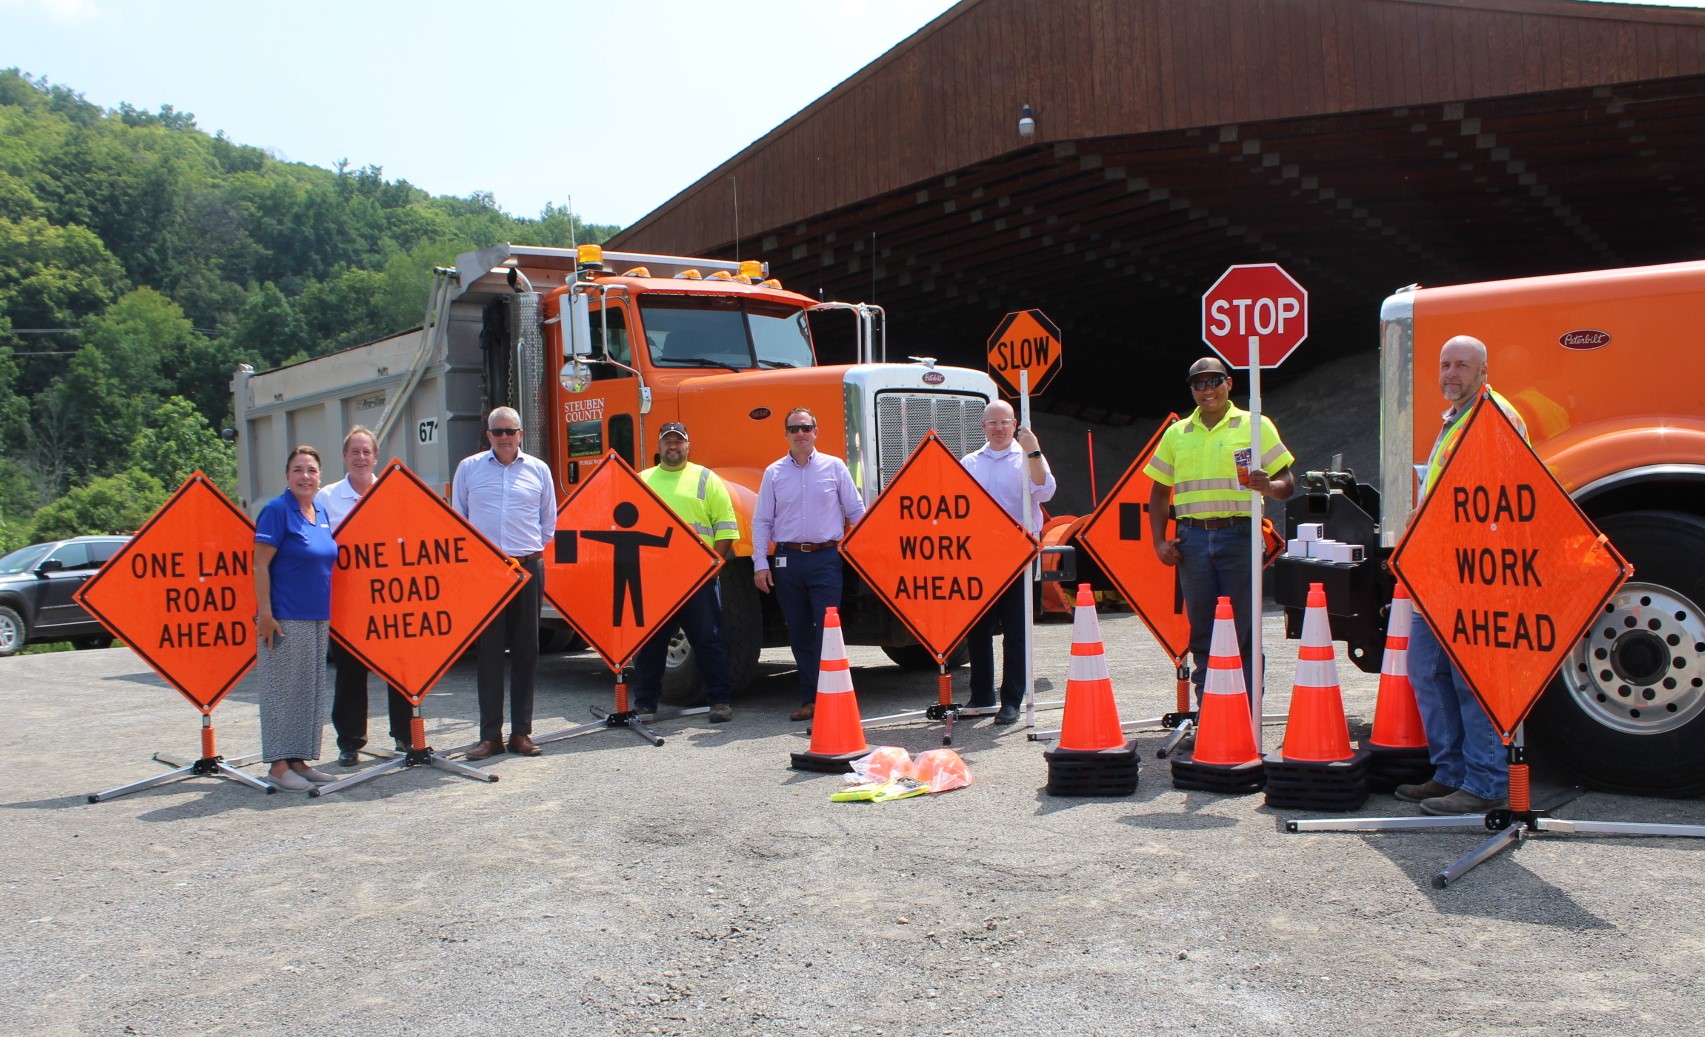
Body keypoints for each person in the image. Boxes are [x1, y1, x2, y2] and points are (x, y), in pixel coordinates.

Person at [1397, 335, 1527, 816]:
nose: (1451, 373)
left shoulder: (1494, 417)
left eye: (1462, 366)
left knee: (1473, 679)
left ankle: (1487, 784)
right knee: (1427, 671)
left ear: (1483, 371)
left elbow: (1498, 499)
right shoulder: (1459, 419)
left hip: (1476, 571)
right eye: (1445, 364)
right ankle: (1450, 774)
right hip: (1440, 570)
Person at [1145, 357, 1295, 702]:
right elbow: (1158, 491)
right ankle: (1209, 710)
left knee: (1243, 627)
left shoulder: (1255, 425)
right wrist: (1158, 542)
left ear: (1229, 383)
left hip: (1239, 535)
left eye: (1213, 382)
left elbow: (1287, 481)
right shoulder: (1176, 433)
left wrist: (1269, 487)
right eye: (1198, 384)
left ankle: (1247, 710)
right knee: (1203, 629)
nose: (1206, 390)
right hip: (1192, 540)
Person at [451, 406, 557, 760]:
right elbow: (459, 519)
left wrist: (527, 551)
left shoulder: (539, 470)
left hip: (527, 568)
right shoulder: (469, 469)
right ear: (488, 435)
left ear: (521, 434)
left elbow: (548, 522)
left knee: (527, 651)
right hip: (486, 571)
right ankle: (490, 736)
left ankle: (522, 733)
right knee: (490, 654)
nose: (505, 437)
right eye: (498, 431)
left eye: (511, 430)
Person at [752, 407, 865, 721]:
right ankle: (811, 699)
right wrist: (760, 563)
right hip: (787, 560)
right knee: (799, 631)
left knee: (829, 630)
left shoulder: (835, 466)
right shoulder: (773, 472)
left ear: (816, 431)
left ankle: (835, 697)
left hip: (827, 559)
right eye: (794, 429)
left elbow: (856, 512)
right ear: (785, 434)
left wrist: (865, 553)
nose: (800, 433)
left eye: (806, 427)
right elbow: (761, 521)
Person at [317, 426, 413, 766]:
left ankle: (405, 735)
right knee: (350, 672)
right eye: (354, 452)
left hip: (390, 598)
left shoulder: (393, 493)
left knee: (399, 668)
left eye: (366, 452)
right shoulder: (326, 498)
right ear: (344, 457)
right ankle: (350, 742)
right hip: (348, 601)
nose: (360, 458)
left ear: (376, 457)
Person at [632, 422, 738, 723]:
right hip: (657, 577)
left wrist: (714, 568)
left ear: (688, 446)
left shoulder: (706, 478)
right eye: (667, 441)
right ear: (658, 446)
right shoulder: (642, 480)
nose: (673, 446)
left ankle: (720, 701)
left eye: (678, 441)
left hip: (699, 577)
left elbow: (726, 527)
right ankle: (645, 703)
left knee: (708, 641)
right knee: (651, 644)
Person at [961, 400, 1056, 724]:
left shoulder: (1026, 457)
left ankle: (1012, 699)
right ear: (983, 427)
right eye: (993, 423)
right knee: (977, 629)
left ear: (1014, 424)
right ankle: (981, 694)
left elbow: (1045, 491)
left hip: (1018, 552)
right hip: (980, 554)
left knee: (1016, 629)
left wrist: (1034, 451)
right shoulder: (970, 462)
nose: (999, 428)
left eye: (1005, 422)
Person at [253, 445, 339, 791]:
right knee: (282, 692)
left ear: (320, 477)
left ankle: (300, 761)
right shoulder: (276, 511)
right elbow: (260, 564)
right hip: (286, 617)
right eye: (299, 470)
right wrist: (265, 614)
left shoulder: (319, 510)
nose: (306, 476)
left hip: (318, 616)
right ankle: (278, 765)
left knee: (309, 691)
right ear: (287, 476)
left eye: (312, 470)